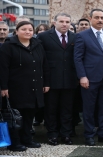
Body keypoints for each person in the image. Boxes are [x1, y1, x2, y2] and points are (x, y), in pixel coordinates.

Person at [0, 21, 50, 151]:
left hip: (34, 87)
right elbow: (3, 68)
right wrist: (3, 87)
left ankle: (27, 139)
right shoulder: (8, 46)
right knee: (15, 116)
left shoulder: (37, 45)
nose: (27, 32)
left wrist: (46, 83)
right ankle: (15, 143)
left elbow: (44, 65)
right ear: (16, 31)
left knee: (29, 115)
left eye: (30, 30)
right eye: (24, 29)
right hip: (16, 88)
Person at [74, 9, 103, 146]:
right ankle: (89, 135)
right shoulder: (82, 36)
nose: (100, 20)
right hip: (90, 78)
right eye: (97, 17)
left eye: (102, 17)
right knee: (89, 108)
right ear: (90, 18)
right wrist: (82, 76)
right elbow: (78, 58)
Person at [37, 13, 78, 146]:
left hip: (70, 80)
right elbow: (40, 59)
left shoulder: (75, 37)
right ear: (54, 22)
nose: (65, 24)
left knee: (67, 109)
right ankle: (52, 135)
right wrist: (44, 81)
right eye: (61, 21)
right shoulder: (43, 36)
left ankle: (65, 134)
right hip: (51, 80)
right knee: (51, 109)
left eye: (67, 21)